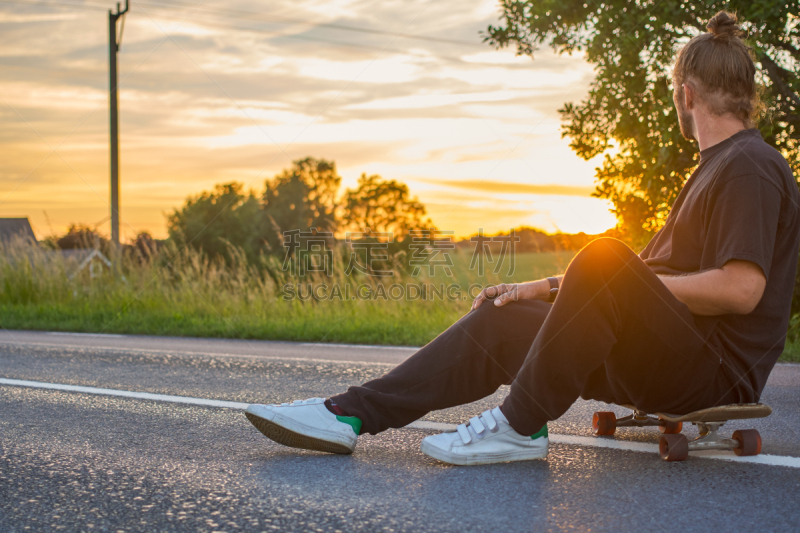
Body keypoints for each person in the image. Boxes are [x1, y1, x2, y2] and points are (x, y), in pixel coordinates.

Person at [244, 11, 800, 465]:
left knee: (606, 252)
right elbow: (644, 282)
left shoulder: (748, 166)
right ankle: (348, 415)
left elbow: (739, 290)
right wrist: (545, 287)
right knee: (503, 316)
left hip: (712, 373)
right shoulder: (713, 167)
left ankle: (518, 425)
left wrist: (626, 286)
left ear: (685, 94)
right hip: (669, 355)